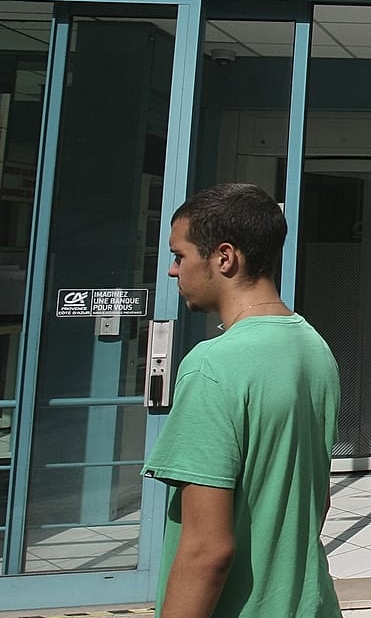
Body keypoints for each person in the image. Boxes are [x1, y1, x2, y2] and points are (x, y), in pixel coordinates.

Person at [143, 184, 341, 618]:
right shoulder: (313, 347)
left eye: (180, 256)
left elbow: (206, 550)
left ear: (224, 257)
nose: (174, 271)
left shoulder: (213, 366)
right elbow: (317, 500)